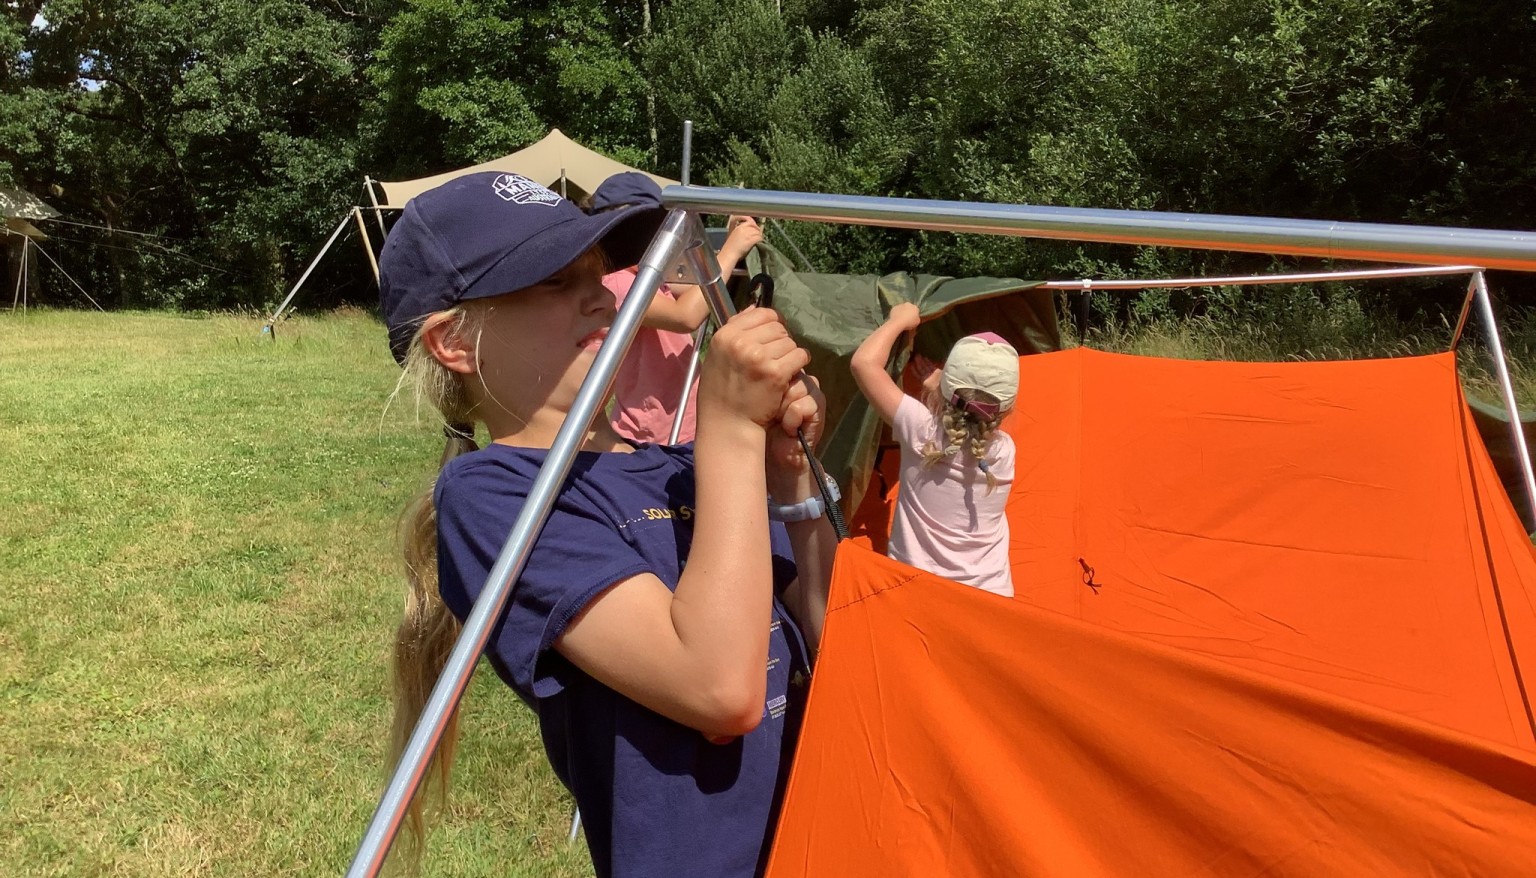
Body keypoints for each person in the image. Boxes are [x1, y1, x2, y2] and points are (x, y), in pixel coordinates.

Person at [380, 171, 838, 878]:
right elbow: (719, 689)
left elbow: (830, 639)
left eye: (598, 271)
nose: (601, 294)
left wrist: (790, 478)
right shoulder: (496, 500)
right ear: (454, 343)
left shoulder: (681, 465)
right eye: (555, 282)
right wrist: (733, 435)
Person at [850, 302, 1019, 597]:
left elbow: (863, 363)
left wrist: (897, 322)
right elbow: (972, 421)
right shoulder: (1004, 452)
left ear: (945, 390)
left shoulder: (919, 429)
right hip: (991, 597)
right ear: (1007, 408)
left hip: (918, 592)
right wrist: (944, 388)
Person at [587, 171, 764, 443]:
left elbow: (698, 285)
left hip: (684, 419)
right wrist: (731, 250)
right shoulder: (615, 284)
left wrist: (727, 243)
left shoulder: (648, 273)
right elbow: (686, 316)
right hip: (651, 431)